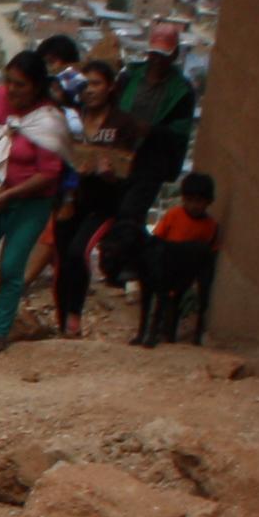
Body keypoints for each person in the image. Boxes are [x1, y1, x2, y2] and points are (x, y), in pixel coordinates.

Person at [0, 49, 68, 354]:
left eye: (20, 85)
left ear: (36, 86)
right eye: (8, 81)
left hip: (30, 202)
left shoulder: (49, 120)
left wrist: (9, 195)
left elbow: (49, 173)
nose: (11, 89)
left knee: (11, 266)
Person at [101, 33, 201, 287]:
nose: (156, 60)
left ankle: (128, 267)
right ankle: (111, 266)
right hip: (120, 153)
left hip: (151, 160)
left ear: (173, 56)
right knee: (112, 207)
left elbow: (180, 131)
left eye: (162, 55)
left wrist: (152, 131)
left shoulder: (181, 91)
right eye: (153, 54)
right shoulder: (129, 77)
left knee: (131, 212)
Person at [135, 170, 221, 347]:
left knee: (179, 302)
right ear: (183, 199)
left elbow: (209, 250)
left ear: (208, 202)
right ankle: (155, 332)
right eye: (190, 200)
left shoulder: (210, 226)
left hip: (186, 269)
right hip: (165, 266)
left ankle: (180, 334)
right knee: (162, 300)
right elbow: (157, 239)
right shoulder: (174, 216)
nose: (194, 206)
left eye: (199, 201)